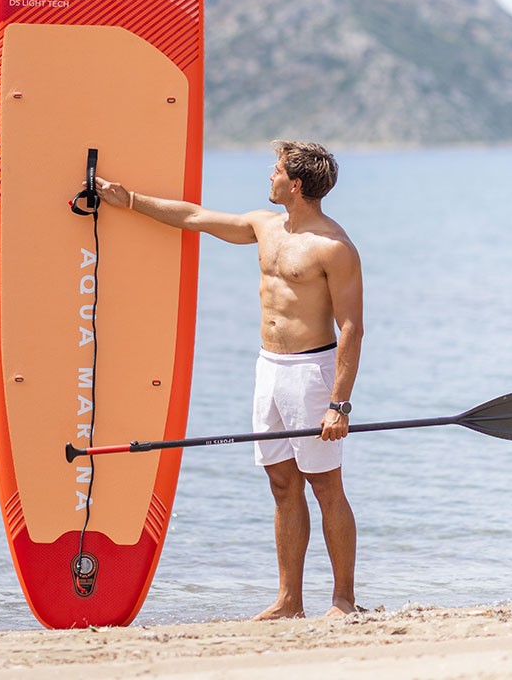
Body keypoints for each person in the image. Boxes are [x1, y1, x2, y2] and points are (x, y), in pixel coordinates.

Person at [96, 139, 363, 619]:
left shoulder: (333, 247)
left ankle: (343, 600)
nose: (269, 176)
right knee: (281, 484)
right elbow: (196, 217)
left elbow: (351, 328)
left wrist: (338, 405)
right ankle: (289, 601)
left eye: (276, 170)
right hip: (269, 368)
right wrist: (130, 200)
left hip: (311, 373)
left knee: (326, 486)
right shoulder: (265, 226)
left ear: (295, 184)